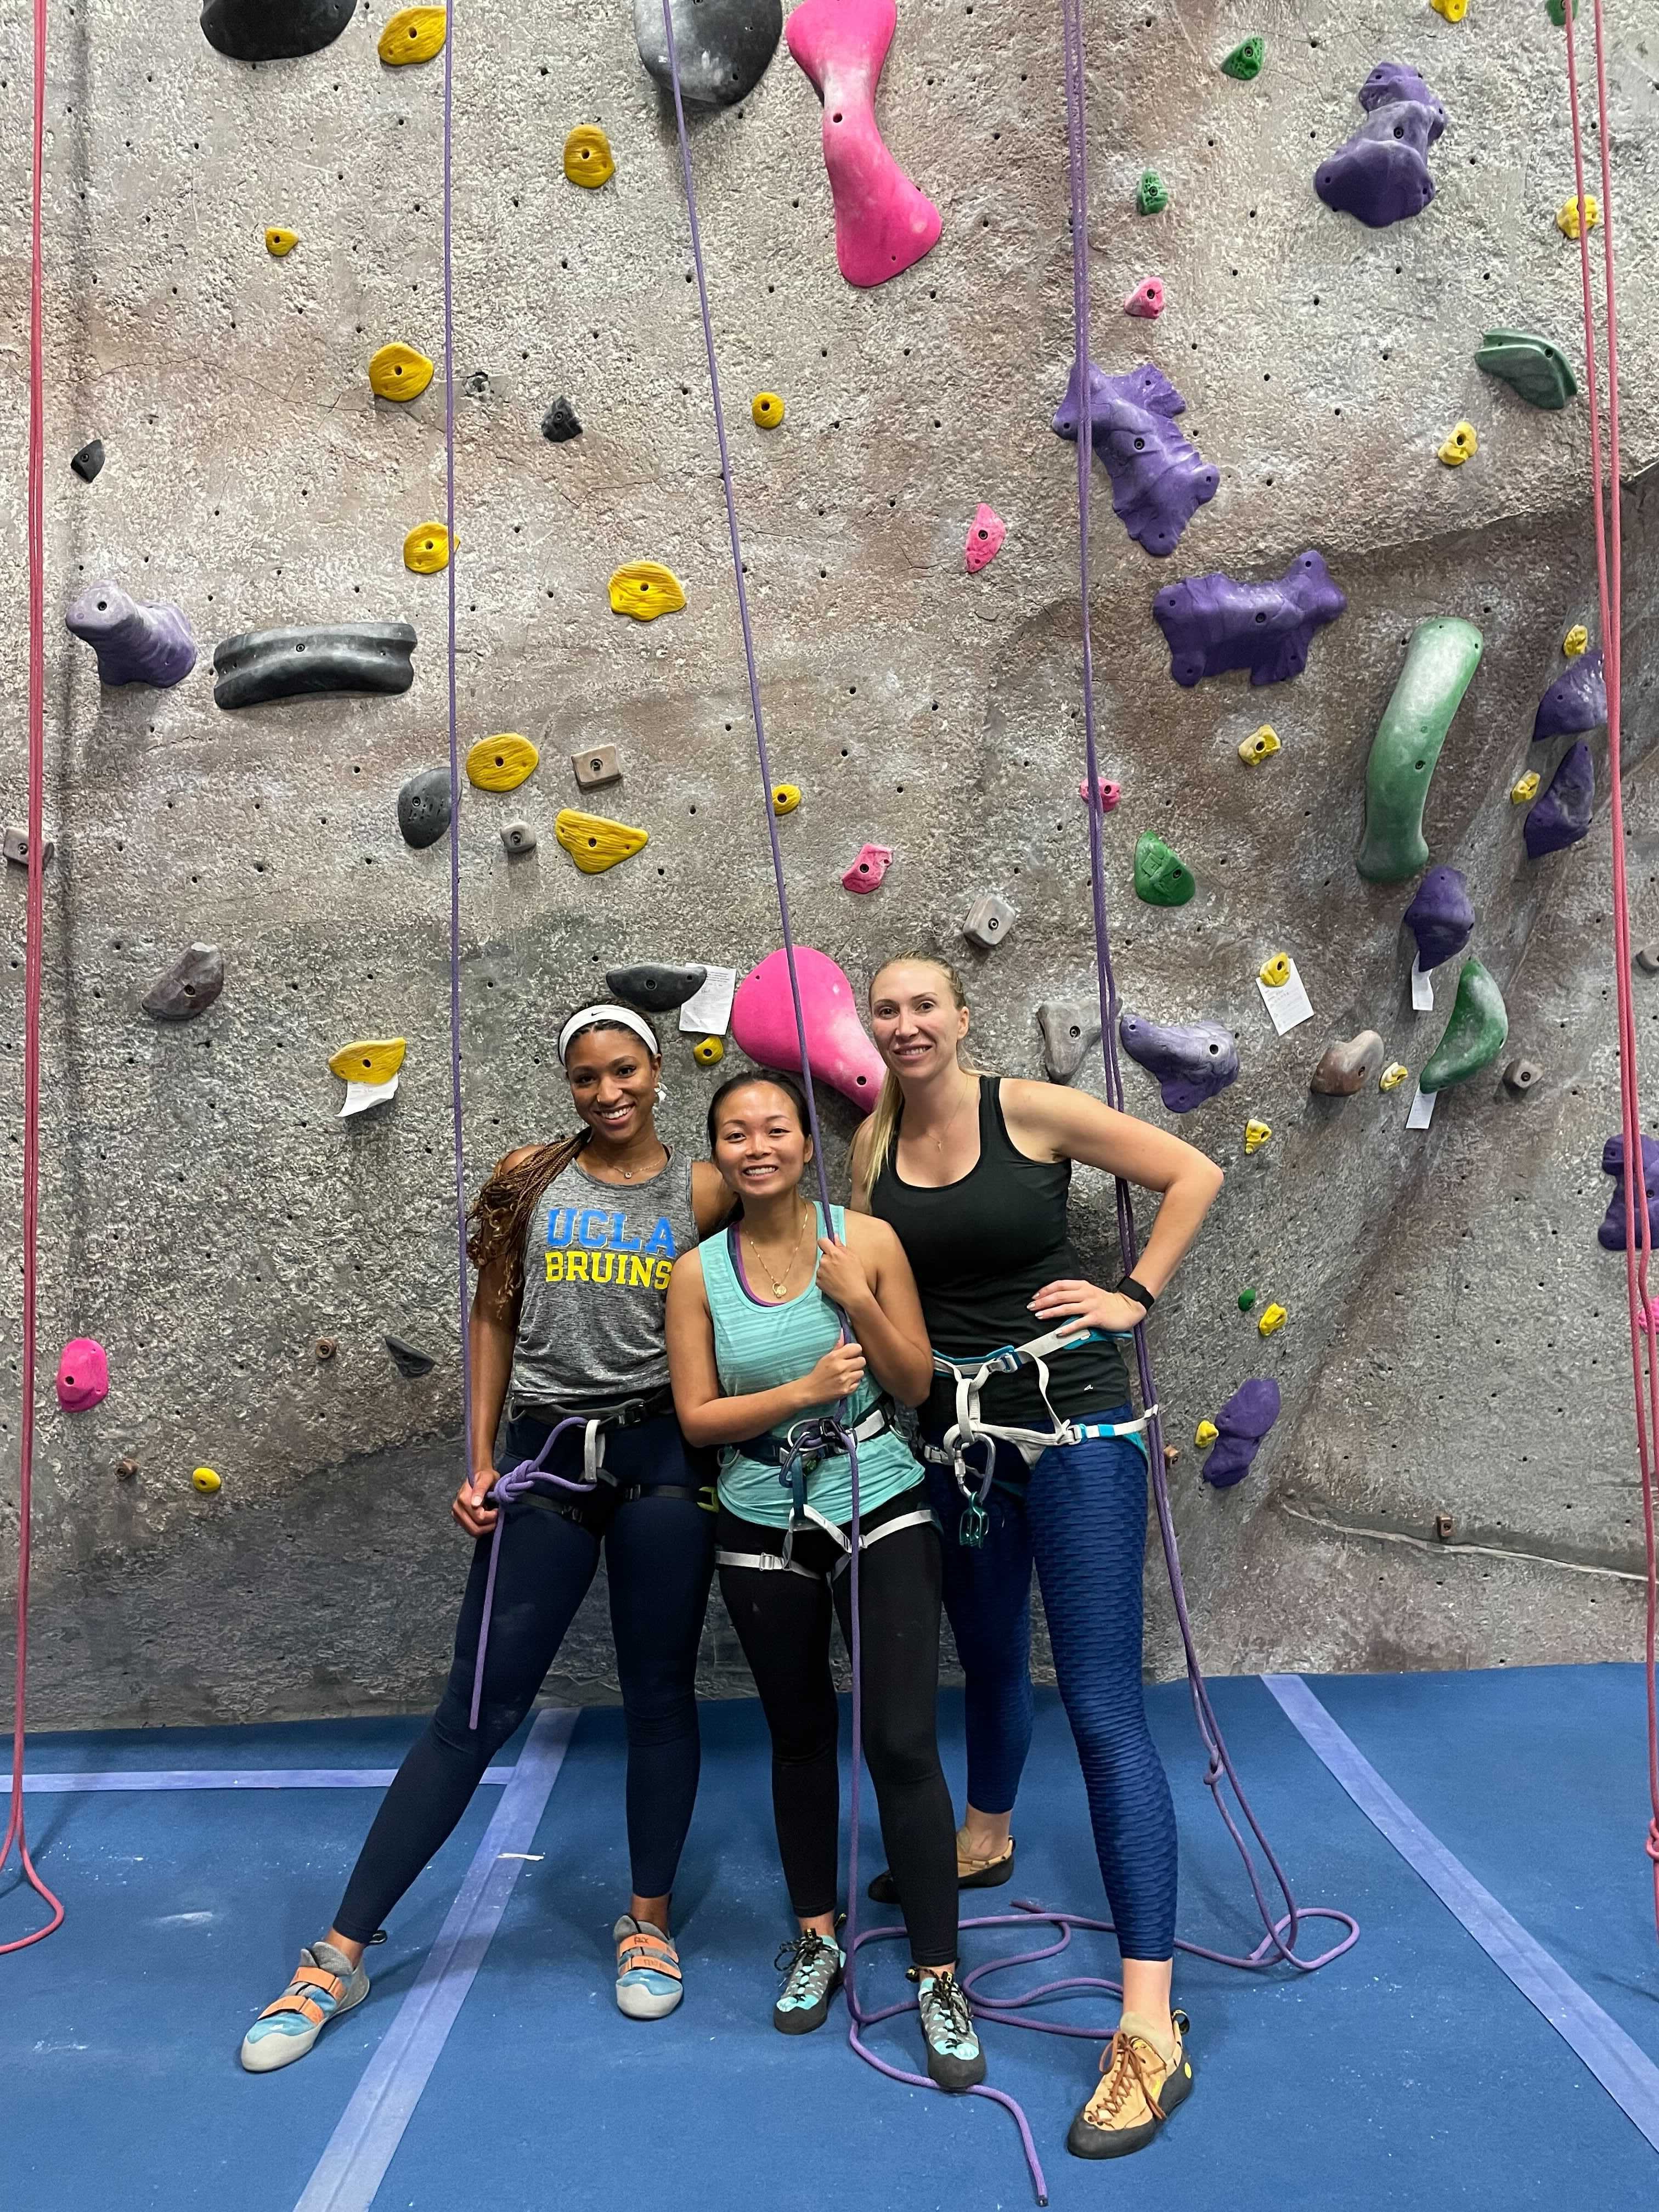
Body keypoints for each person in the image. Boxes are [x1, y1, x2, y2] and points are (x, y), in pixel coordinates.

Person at [240, 1005, 732, 2071]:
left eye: (626, 1071)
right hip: (546, 1459)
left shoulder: (702, 1190)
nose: (608, 1093)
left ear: (657, 1071)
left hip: (658, 1462)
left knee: (660, 1694)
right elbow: (493, 1315)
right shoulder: (529, 1177)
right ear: (569, 1083)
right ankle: (337, 1952)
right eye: (588, 1076)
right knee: (478, 1707)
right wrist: (478, 1462)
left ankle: (645, 1922)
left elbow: (748, 1300)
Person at [851, 953, 1224, 2160]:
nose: (907, 1025)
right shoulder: (868, 1143)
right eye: (889, 1009)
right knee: (988, 1653)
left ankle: (1151, 2029)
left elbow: (1191, 1169)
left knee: (1104, 1706)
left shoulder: (1030, 1109)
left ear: (962, 1018)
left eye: (925, 1006)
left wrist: (1134, 1292)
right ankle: (988, 1833)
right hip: (955, 1440)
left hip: (1072, 1426)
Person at [665, 1070, 985, 2092]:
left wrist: (858, 1304)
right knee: (799, 1738)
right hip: (763, 1524)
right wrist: (800, 1392)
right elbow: (697, 1418)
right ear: (717, 1155)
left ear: (807, 1143)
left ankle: (939, 1974)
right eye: (733, 1134)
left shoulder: (869, 1245)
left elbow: (916, 1383)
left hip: (879, 1503)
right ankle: (817, 1936)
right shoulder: (697, 1276)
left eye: (774, 1129)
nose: (756, 1146)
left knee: (898, 1741)